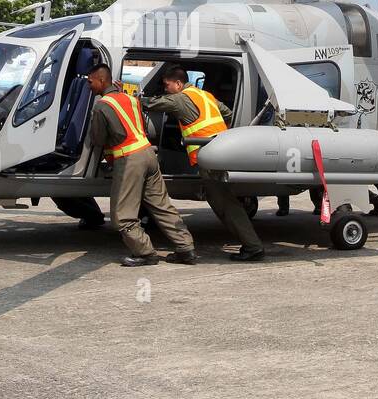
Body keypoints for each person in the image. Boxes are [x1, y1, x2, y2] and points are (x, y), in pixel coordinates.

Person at [143, 66, 263, 261]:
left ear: (179, 84)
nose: (166, 89)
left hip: (209, 159)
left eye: (167, 85)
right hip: (221, 154)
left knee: (226, 206)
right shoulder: (206, 95)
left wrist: (132, 98)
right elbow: (229, 114)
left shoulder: (181, 98)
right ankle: (252, 245)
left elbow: (153, 104)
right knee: (226, 203)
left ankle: (253, 246)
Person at [87, 64, 197, 266]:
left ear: (101, 81)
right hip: (148, 154)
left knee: (123, 214)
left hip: (130, 159)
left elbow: (98, 139)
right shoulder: (131, 99)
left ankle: (145, 252)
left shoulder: (102, 105)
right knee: (162, 205)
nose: (88, 85)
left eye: (90, 81)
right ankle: (186, 249)